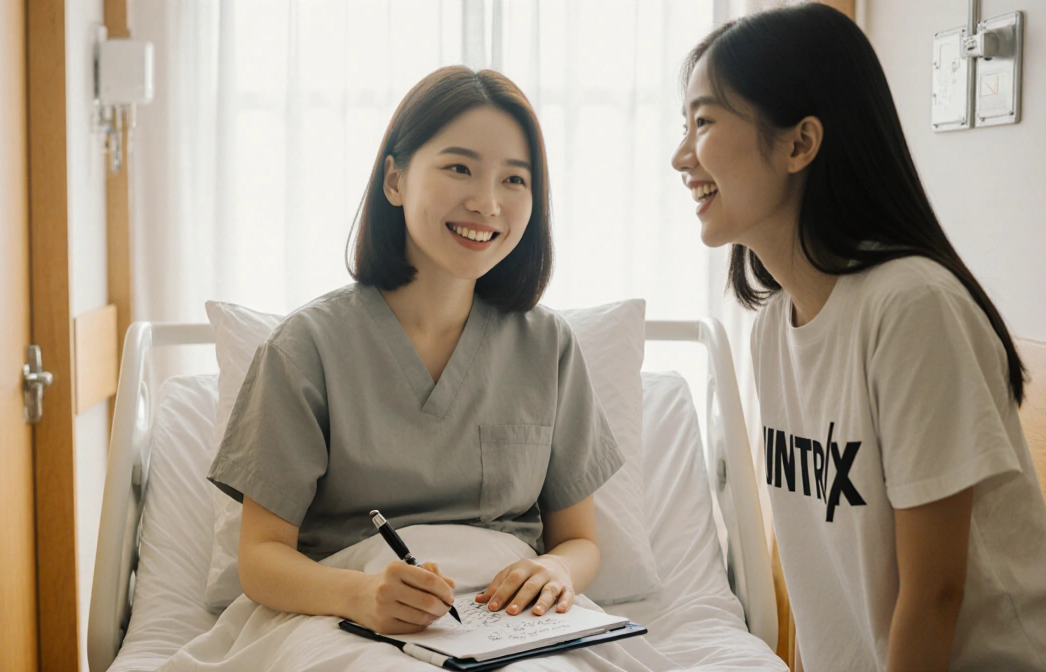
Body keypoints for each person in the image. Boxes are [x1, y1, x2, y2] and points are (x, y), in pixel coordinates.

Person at [671, 5, 1046, 671]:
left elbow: (934, 592)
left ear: (799, 143)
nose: (681, 157)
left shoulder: (912, 307)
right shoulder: (770, 332)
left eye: (703, 121)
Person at [206, 65, 623, 637]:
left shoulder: (547, 346)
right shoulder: (307, 348)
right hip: (346, 616)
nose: (487, 202)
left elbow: (579, 540)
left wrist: (553, 568)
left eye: (514, 180)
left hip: (516, 623)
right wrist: (361, 595)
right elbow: (259, 558)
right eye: (459, 168)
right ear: (395, 181)